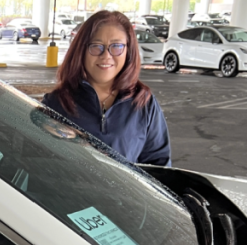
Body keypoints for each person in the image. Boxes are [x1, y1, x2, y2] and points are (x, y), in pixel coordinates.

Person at [42, 10, 171, 166]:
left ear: (128, 51)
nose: (106, 56)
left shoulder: (143, 103)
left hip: (124, 191)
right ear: (81, 50)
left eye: (116, 46)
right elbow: (40, 164)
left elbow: (159, 167)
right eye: (96, 46)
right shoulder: (56, 103)